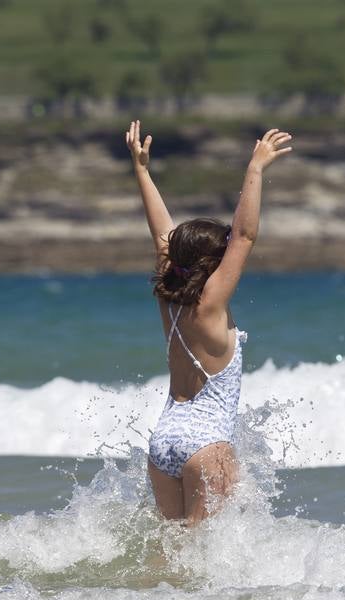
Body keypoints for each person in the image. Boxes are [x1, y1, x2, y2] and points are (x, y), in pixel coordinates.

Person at [125, 120, 292, 523]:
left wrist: (142, 171)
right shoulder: (210, 304)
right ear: (212, 265)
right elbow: (245, 237)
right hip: (206, 445)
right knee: (204, 567)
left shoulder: (170, 299)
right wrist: (255, 169)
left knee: (173, 554)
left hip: (163, 442)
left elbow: (162, 236)